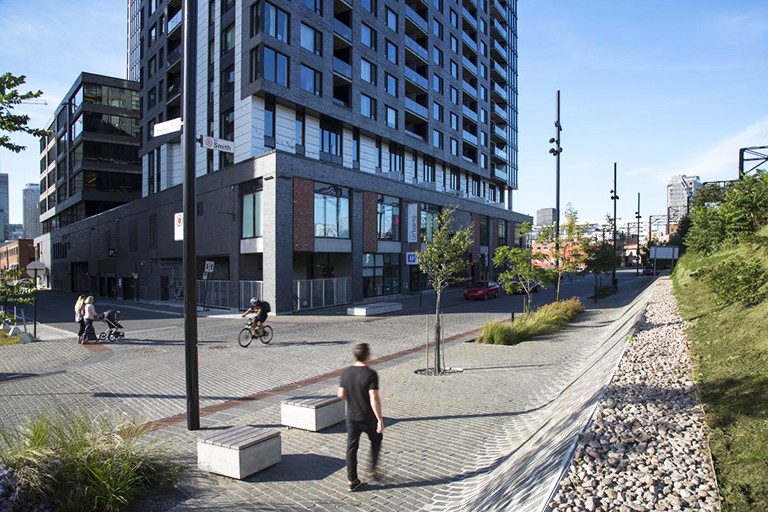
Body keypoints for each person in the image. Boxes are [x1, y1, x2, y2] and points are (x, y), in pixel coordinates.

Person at [338, 343, 384, 492]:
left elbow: (340, 395)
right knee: (376, 439)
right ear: (368, 356)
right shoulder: (371, 374)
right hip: (368, 416)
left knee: (351, 448)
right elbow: (374, 398)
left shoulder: (346, 373)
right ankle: (372, 470)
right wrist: (379, 419)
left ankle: (352, 480)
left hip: (352, 416)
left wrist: (353, 399)